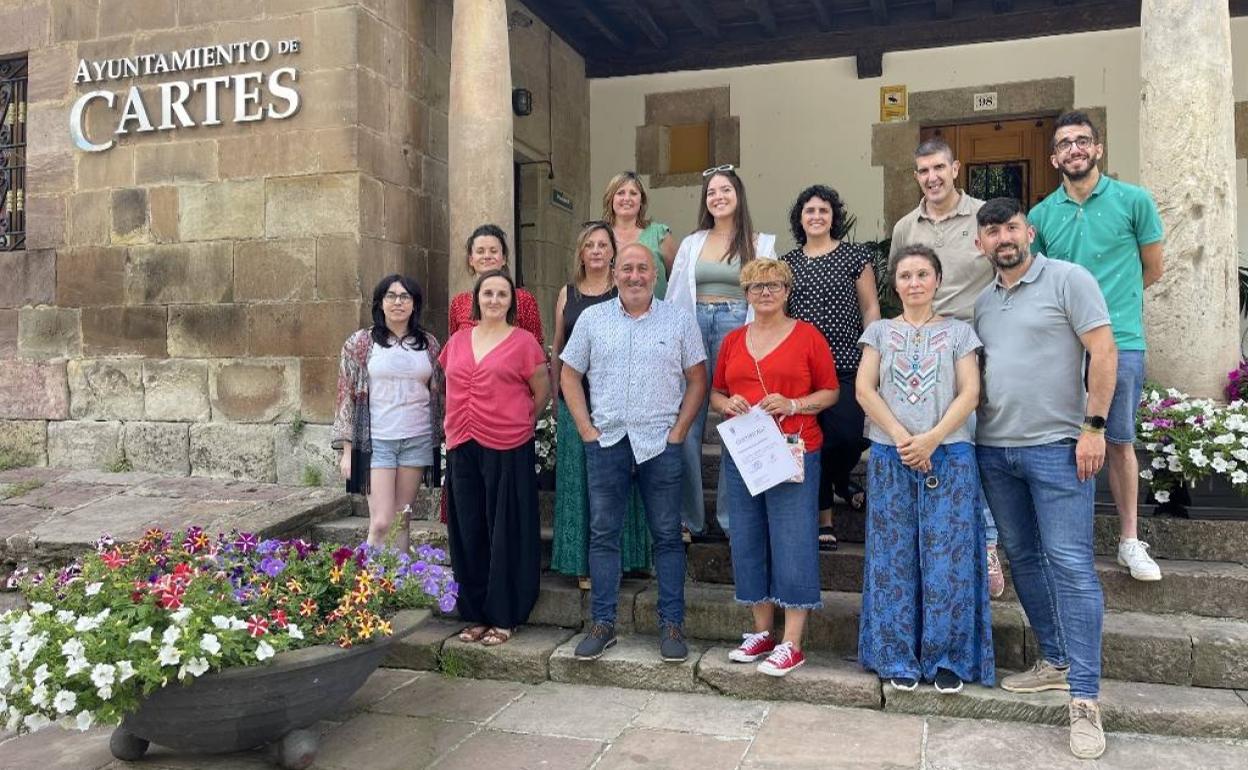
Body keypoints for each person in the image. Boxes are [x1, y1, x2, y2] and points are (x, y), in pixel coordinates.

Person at [973, 197, 1116, 760]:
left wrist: (1095, 426)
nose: (1003, 238)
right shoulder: (984, 303)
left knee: (1073, 566)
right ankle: (1055, 661)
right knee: (1023, 557)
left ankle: (1085, 700)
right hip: (995, 452)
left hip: (1060, 449)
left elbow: (1102, 352)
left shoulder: (1068, 280)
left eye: (1010, 227)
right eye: (992, 231)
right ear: (980, 243)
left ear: (1028, 232)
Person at [1029, 111, 1165, 582]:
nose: (1074, 149)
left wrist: (1112, 314)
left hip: (1120, 342)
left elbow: (1153, 268)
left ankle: (1130, 539)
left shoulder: (1134, 201)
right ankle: (1068, 541)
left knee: (1119, 440)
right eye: (1065, 143)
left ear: (1098, 148)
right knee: (1066, 440)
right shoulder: (1040, 216)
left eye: (1082, 141)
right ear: (1054, 158)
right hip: (1063, 348)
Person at [855, 244, 994, 696]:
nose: (914, 283)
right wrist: (900, 436)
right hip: (889, 455)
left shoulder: (959, 333)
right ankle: (895, 654)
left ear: (937, 280)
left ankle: (948, 657)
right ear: (895, 285)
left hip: (949, 455)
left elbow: (970, 392)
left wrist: (932, 438)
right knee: (892, 558)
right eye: (905, 276)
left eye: (922, 275)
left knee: (948, 560)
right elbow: (863, 388)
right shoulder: (878, 332)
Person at [561, 243, 706, 663]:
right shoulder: (592, 319)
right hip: (607, 442)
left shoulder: (679, 320)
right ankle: (603, 624)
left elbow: (698, 378)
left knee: (667, 536)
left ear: (655, 276)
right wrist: (586, 428)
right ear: (614, 272)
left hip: (661, 443)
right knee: (604, 534)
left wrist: (679, 430)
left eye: (643, 268)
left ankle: (672, 625)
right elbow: (570, 375)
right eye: (627, 268)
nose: (635, 275)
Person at [711, 259, 838, 677]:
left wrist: (794, 403)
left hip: (794, 449)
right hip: (745, 452)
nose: (765, 293)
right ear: (745, 294)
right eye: (755, 286)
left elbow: (831, 392)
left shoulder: (807, 337)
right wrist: (726, 404)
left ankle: (792, 642)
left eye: (773, 285)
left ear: (787, 290)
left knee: (793, 538)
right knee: (747, 537)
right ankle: (762, 631)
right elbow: (716, 392)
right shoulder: (732, 341)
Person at [890, 138, 1005, 598]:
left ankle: (989, 543)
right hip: (918, 350)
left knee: (970, 440)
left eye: (939, 167)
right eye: (923, 171)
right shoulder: (905, 226)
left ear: (956, 168)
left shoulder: (983, 218)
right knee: (931, 443)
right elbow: (900, 284)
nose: (932, 177)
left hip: (971, 344)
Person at [666, 165, 777, 538]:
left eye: (725, 190)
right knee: (687, 418)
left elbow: (768, 294)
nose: (718, 196)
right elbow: (677, 296)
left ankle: (733, 519)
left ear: (738, 195)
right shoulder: (692, 242)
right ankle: (689, 518)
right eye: (712, 192)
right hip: (694, 325)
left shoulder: (761, 244)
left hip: (739, 328)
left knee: (738, 418)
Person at [441, 269, 550, 647]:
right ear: (476, 298)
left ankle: (504, 616)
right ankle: (474, 614)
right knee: (468, 530)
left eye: (502, 294)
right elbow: (447, 384)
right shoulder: (456, 341)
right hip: (461, 442)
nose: (494, 300)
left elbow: (541, 392)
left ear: (512, 302)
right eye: (488, 293)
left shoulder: (523, 343)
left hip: (507, 443)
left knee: (505, 531)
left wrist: (518, 420)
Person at [550, 222, 652, 589]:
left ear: (613, 252)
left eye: (603, 245)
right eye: (589, 245)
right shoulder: (567, 294)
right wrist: (554, 396)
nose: (596, 250)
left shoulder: (622, 290)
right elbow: (558, 347)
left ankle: (628, 557)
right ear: (581, 252)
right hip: (575, 401)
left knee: (621, 481)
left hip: (619, 401)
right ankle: (583, 562)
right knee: (580, 482)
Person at [780, 185, 880, 552]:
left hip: (846, 361)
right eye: (810, 211)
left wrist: (874, 353)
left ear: (833, 216)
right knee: (811, 441)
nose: (817, 216)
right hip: (801, 368)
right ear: (800, 218)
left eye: (824, 210)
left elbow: (870, 309)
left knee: (847, 436)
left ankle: (839, 479)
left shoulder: (855, 256)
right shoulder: (788, 263)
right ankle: (824, 516)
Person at [332, 274, 442, 556]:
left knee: (401, 520)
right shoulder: (360, 343)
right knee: (381, 522)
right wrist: (347, 450)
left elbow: (440, 395)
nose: (398, 302)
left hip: (416, 439)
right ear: (380, 303)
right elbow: (346, 395)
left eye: (405, 297)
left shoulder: (428, 345)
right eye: (391, 296)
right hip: (377, 441)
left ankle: (399, 584)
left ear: (414, 304)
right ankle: (366, 584)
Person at [448, 223, 546, 347]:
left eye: (493, 251)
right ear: (471, 260)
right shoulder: (458, 303)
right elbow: (454, 349)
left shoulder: (524, 299)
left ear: (504, 258)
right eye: (480, 251)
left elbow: (535, 348)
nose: (487, 256)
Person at [602, 171, 677, 298]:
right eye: (620, 193)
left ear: (641, 200)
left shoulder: (659, 235)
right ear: (611, 199)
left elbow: (678, 281)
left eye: (633, 193)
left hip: (656, 314)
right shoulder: (600, 235)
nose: (627, 199)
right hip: (608, 315)